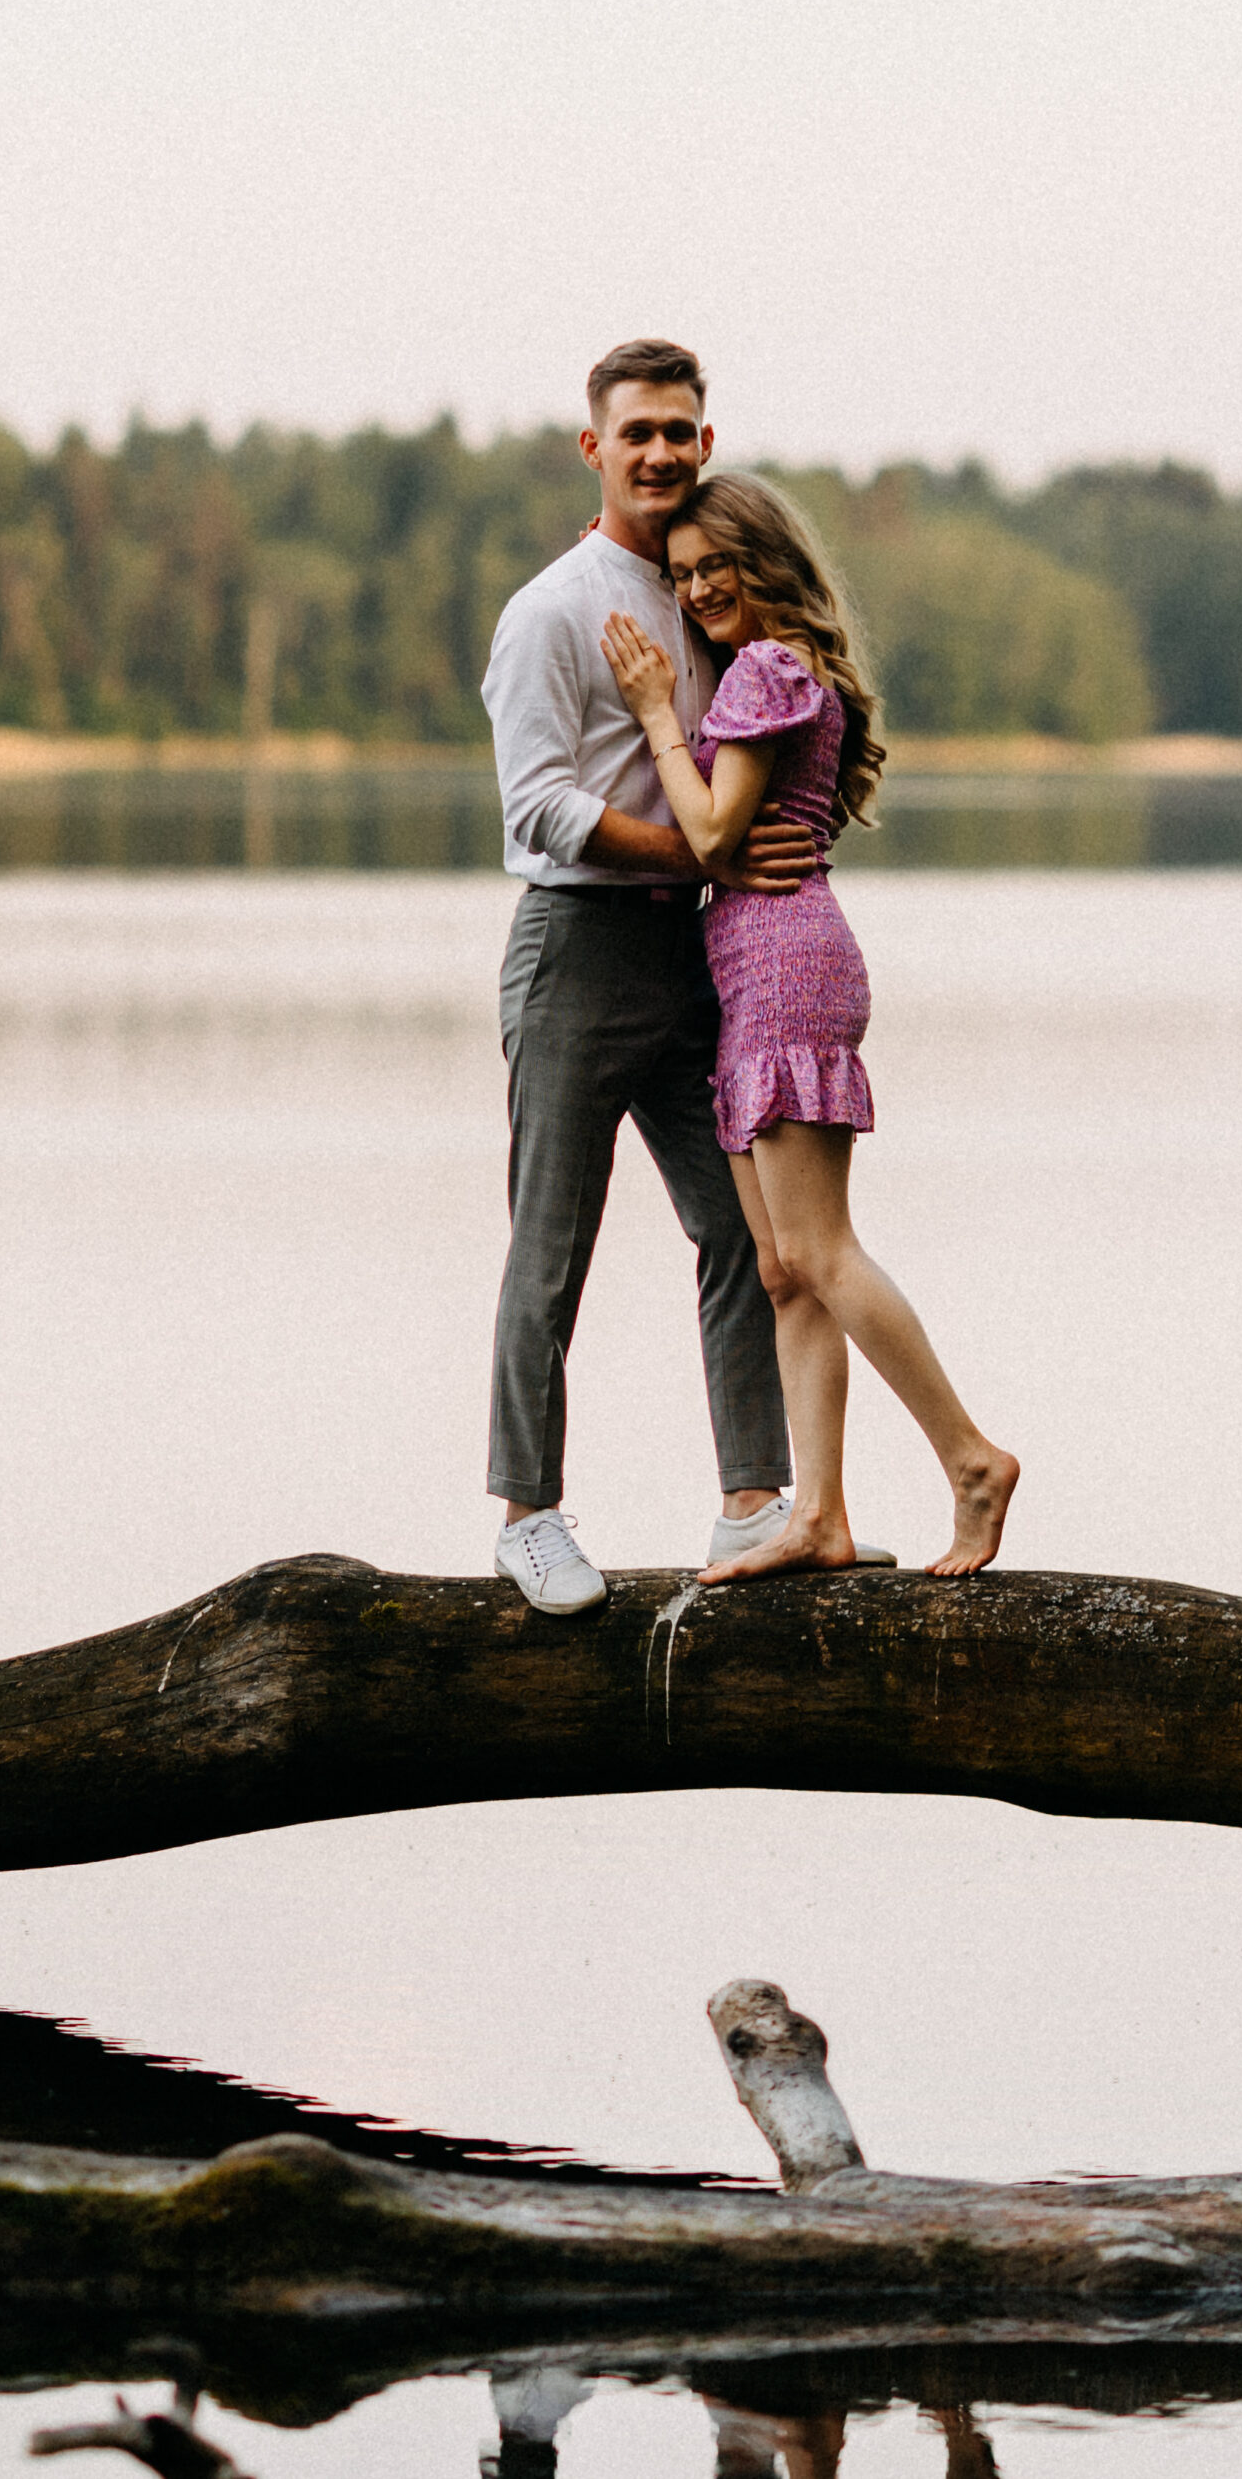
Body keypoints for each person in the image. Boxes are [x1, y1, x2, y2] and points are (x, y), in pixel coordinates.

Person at [596, 470, 1021, 1577]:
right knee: (783, 1267)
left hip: (785, 966)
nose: (693, 594)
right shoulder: (774, 671)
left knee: (821, 1251)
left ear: (763, 559)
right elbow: (727, 836)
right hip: (757, 968)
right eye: (680, 577)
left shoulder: (772, 669)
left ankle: (971, 1458)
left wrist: (651, 712)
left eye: (712, 569)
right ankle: (819, 1516)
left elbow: (707, 828)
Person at [480, 340, 824, 1617]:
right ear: (595, 447)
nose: (662, 453)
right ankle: (528, 1518)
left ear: (706, 441)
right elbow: (541, 808)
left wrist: (775, 840)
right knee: (551, 1244)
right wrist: (697, 846)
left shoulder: (705, 591)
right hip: (574, 949)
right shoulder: (552, 609)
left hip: (695, 948)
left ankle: (750, 1504)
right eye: (639, 433)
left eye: (682, 430)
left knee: (742, 1226)